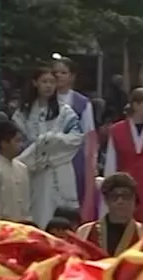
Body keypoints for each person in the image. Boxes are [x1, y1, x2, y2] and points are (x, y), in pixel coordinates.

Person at [13, 66, 85, 228]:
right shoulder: (23, 113)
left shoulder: (65, 112)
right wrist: (37, 150)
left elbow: (76, 138)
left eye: (52, 82)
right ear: (35, 83)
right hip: (33, 170)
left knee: (61, 215)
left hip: (60, 168)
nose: (48, 86)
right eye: (44, 81)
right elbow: (18, 141)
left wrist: (51, 141)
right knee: (37, 211)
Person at [104, 87, 143, 222]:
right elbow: (110, 164)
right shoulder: (116, 130)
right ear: (136, 105)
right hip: (123, 189)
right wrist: (109, 190)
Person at [52, 56, 99, 222]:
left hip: (75, 158)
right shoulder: (44, 100)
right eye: (55, 72)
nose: (58, 76)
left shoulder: (82, 103)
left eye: (63, 72)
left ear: (72, 76)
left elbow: (89, 135)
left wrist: (90, 164)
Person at [0, 121, 32, 223]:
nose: (21, 145)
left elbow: (27, 205)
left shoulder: (22, 168)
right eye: (17, 141)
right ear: (4, 143)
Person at [76, 173, 141, 254]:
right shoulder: (84, 232)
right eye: (114, 196)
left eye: (125, 196)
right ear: (106, 200)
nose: (120, 201)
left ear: (134, 199)